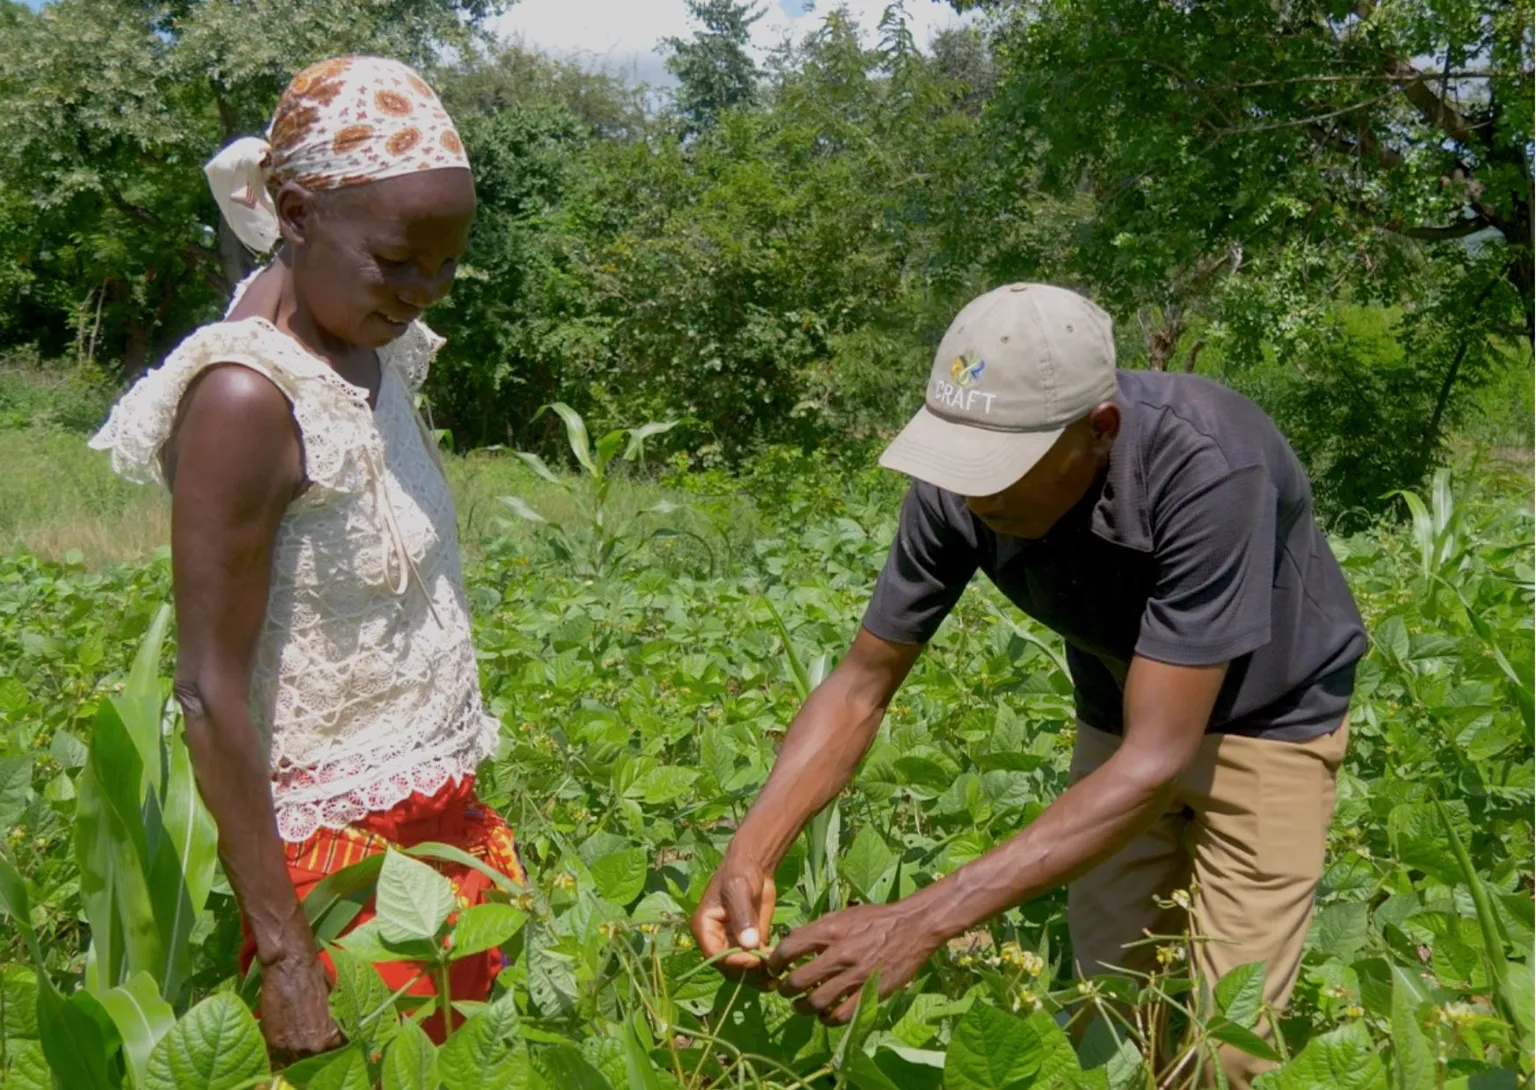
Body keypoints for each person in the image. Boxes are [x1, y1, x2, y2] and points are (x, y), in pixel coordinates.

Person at [690, 282, 1367, 1088]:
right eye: (962, 462)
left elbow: (1160, 757)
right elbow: (864, 683)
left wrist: (919, 921)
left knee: (1228, 1049)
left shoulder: (1211, 463)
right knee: (1107, 1017)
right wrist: (751, 851)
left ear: (1099, 430)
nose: (977, 494)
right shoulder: (961, 483)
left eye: (1004, 467)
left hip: (1270, 723)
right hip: (1124, 711)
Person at [89, 56, 522, 1057]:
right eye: (399, 262)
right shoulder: (248, 398)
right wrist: (289, 959)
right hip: (330, 865)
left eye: (446, 265)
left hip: (432, 815)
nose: (424, 291)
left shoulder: (369, 342)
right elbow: (206, 689)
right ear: (294, 212)